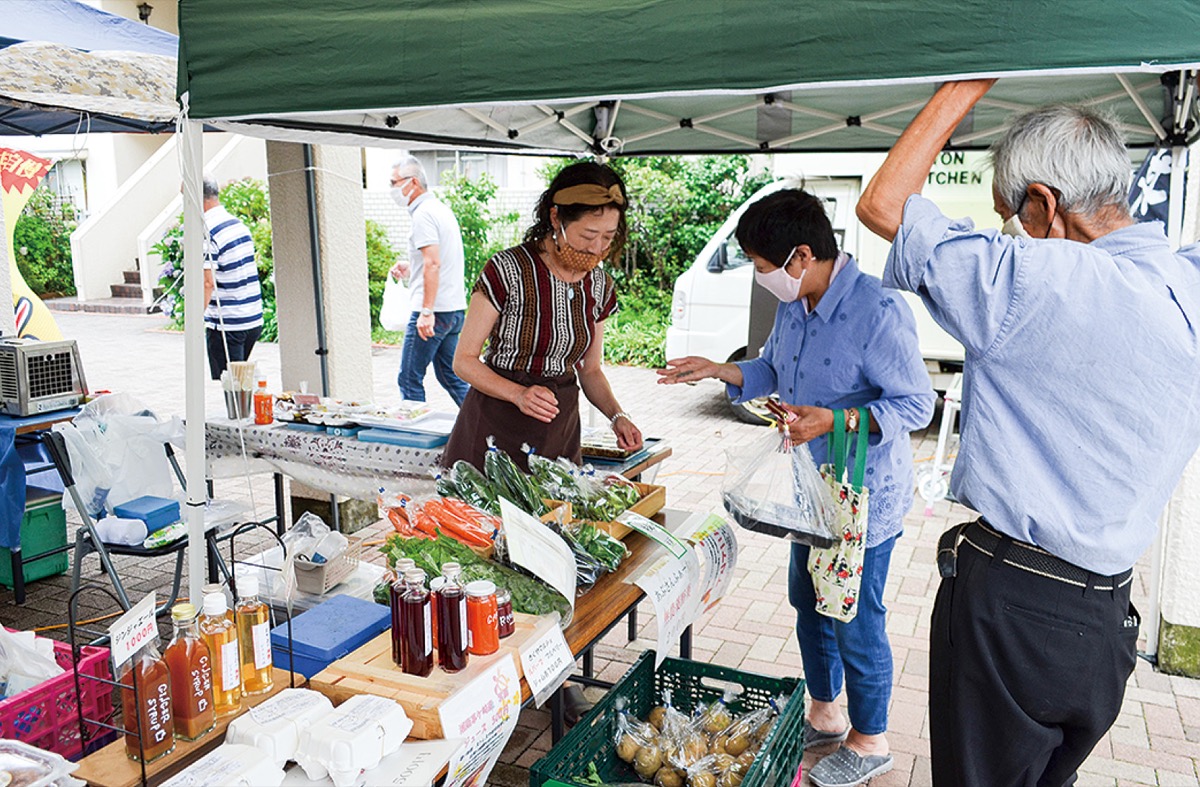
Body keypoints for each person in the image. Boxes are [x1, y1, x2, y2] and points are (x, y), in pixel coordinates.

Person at [856, 79, 1200, 787]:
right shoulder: (1188, 281)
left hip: (1013, 607)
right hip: (1106, 621)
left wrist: (965, 83)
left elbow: (884, 205)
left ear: (1042, 205)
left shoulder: (1036, 279)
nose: (1008, 232)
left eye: (1010, 217)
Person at [658, 189, 935, 787]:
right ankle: (826, 712)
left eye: (763, 267)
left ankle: (871, 739)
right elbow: (771, 370)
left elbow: (916, 403)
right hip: (810, 493)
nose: (763, 280)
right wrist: (720, 369)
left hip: (862, 498)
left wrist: (833, 419)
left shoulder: (877, 310)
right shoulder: (796, 303)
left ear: (802, 255)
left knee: (855, 616)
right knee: (808, 602)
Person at [442, 161, 643, 473]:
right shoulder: (507, 269)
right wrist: (518, 394)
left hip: (558, 430)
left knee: (554, 516)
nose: (597, 249)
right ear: (555, 217)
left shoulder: (599, 285)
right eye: (588, 235)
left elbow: (590, 371)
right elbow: (464, 361)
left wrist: (617, 416)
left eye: (608, 237)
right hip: (494, 426)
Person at [389, 156, 470, 407]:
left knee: (409, 379)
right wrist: (411, 265)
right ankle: (489, 431)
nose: (391, 189)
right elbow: (439, 257)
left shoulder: (423, 215)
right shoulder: (440, 209)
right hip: (453, 310)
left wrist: (426, 311)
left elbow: (433, 263)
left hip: (433, 313)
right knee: (452, 377)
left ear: (412, 182)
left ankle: (417, 438)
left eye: (394, 183)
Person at [201, 174, 263, 381]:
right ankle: (245, 412)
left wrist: (192, 318)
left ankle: (241, 414)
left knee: (232, 385)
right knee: (241, 381)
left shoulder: (207, 232)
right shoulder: (237, 225)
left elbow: (207, 282)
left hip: (228, 323)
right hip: (252, 318)